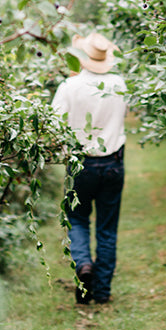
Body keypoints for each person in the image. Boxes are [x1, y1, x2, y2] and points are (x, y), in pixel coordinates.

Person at [51, 32, 127, 305]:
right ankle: (103, 292)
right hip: (114, 162)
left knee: (78, 219)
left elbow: (54, 123)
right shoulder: (119, 83)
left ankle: (83, 265)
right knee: (107, 228)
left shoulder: (69, 87)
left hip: (80, 162)